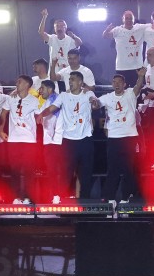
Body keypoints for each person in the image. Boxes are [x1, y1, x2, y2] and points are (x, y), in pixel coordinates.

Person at [43, 72, 102, 200]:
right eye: (69, 79)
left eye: (73, 79)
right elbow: (52, 108)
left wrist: (94, 102)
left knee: (86, 173)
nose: (70, 81)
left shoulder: (88, 94)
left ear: (80, 82)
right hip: (68, 141)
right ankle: (61, 199)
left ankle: (85, 200)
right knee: (65, 172)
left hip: (85, 140)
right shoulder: (64, 96)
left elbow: (95, 104)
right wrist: (41, 115)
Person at [99, 69, 146, 202]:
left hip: (129, 137)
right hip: (114, 138)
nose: (117, 84)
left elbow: (138, 86)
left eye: (119, 82)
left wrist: (141, 76)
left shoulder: (130, 94)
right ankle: (110, 199)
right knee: (112, 169)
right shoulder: (108, 97)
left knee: (128, 169)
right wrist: (93, 101)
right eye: (114, 82)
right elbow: (97, 103)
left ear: (124, 84)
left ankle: (126, 198)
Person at [1, 75, 44, 203]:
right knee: (14, 170)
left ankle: (27, 197)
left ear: (27, 85)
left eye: (19, 82)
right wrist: (1, 130)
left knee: (29, 170)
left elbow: (41, 114)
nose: (17, 83)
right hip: (13, 140)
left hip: (29, 140)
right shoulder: (11, 98)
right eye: (17, 81)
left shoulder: (34, 100)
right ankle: (15, 197)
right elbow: (4, 113)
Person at [39, 8, 84, 75]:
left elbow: (79, 43)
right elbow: (41, 32)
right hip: (54, 73)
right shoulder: (52, 38)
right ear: (54, 29)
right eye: (57, 26)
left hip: (68, 74)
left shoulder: (70, 39)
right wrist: (44, 17)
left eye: (62, 26)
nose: (59, 28)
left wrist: (73, 36)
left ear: (65, 28)